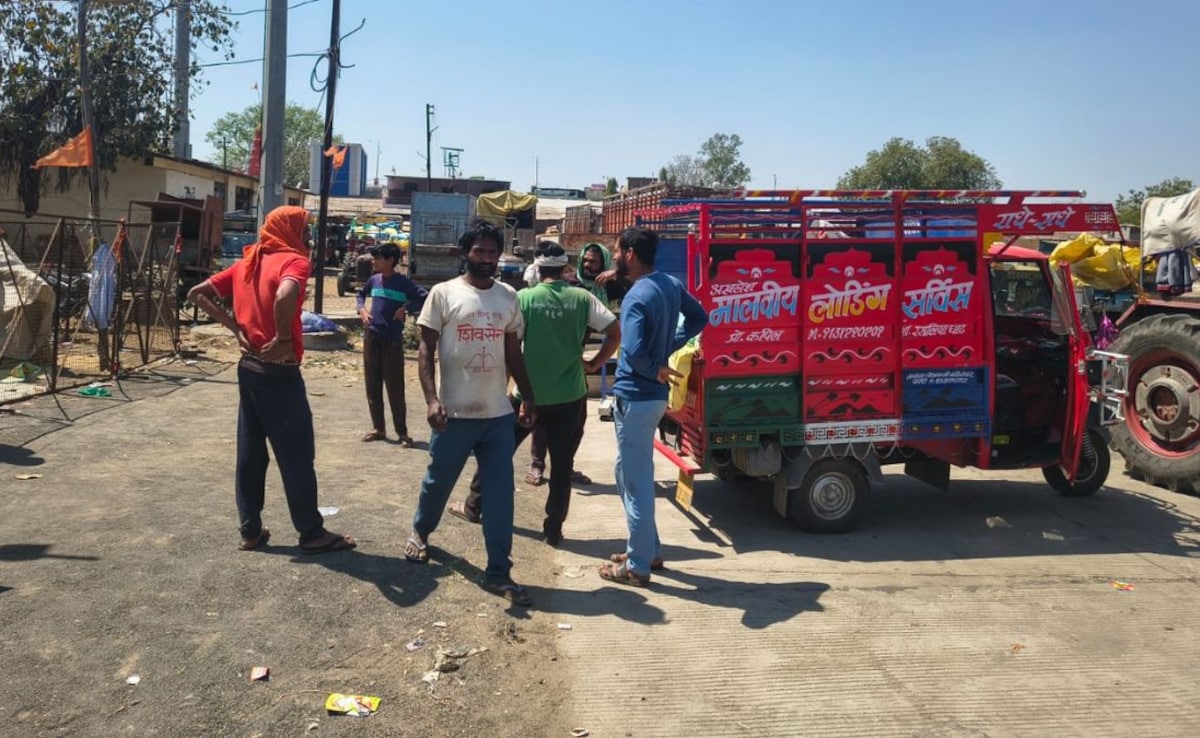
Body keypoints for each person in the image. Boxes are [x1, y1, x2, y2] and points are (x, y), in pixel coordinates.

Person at [187, 205, 356, 554]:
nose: (308, 236)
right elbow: (285, 294)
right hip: (279, 372)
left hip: (248, 367)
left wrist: (235, 329)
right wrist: (281, 337)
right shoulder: (294, 261)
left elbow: (197, 293)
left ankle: (251, 530)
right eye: (304, 229)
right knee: (296, 455)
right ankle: (311, 532)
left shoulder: (248, 262)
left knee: (250, 453)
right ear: (289, 229)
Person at [452, 242, 621, 545]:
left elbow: (510, 347)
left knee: (497, 453)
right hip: (569, 396)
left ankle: (474, 506)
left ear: (538, 268)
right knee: (562, 464)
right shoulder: (582, 298)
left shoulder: (524, 298)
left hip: (526, 395)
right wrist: (595, 362)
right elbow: (614, 331)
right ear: (565, 267)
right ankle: (553, 530)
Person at [406, 220, 537, 606]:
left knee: (499, 498)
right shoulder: (444, 295)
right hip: (455, 415)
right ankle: (420, 533)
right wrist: (432, 399)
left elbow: (514, 353)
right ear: (466, 253)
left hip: (497, 416)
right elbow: (426, 350)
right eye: (479, 251)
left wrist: (528, 397)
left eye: (492, 252)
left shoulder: (509, 297)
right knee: (437, 482)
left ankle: (499, 571)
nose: (487, 259)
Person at [599, 227, 706, 586]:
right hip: (653, 400)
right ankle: (648, 547)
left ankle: (638, 565)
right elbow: (698, 318)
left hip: (637, 396)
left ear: (629, 253)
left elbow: (631, 349)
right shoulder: (668, 285)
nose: (613, 256)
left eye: (616, 251)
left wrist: (654, 365)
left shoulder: (636, 297)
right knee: (624, 471)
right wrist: (668, 349)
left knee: (637, 482)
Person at [523, 241, 627, 486]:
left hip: (573, 366)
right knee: (537, 421)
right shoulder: (573, 287)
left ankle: (565, 467)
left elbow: (616, 325)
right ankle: (537, 465)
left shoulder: (604, 289)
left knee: (575, 424)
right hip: (540, 367)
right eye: (586, 261)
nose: (589, 265)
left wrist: (594, 363)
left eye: (594, 261)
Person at [356, 242, 427, 446]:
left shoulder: (402, 282)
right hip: (372, 337)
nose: (374, 262)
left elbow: (423, 297)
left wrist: (405, 307)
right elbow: (360, 295)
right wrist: (362, 310)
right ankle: (378, 428)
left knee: (395, 386)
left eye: (378, 258)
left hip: (392, 340)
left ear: (389, 261)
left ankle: (402, 432)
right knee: (372, 383)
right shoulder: (374, 280)